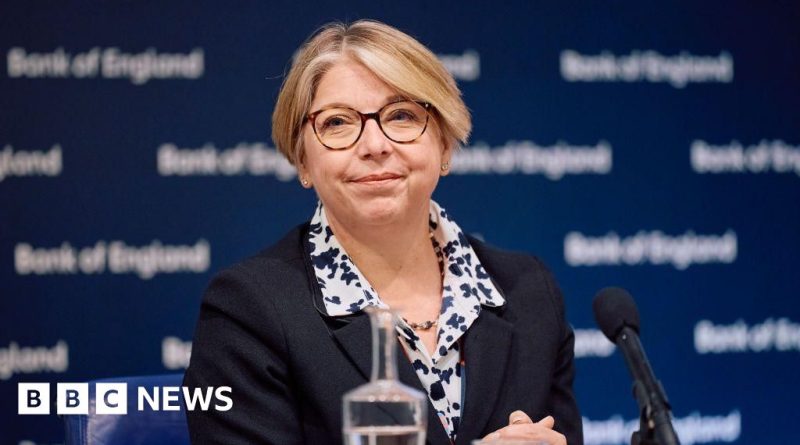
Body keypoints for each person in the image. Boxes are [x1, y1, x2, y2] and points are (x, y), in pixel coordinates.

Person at [184, 19, 582, 445]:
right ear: (302, 160)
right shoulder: (247, 311)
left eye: (402, 115)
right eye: (337, 123)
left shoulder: (528, 293)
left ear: (445, 145)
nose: (374, 145)